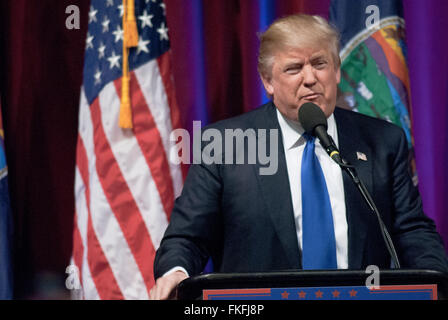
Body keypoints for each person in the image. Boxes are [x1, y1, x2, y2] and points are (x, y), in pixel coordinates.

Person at [149, 14, 448, 300]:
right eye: (294, 68)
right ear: (268, 81)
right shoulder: (226, 146)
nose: (310, 78)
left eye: (320, 64)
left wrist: (438, 280)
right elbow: (187, 237)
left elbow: (412, 230)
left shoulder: (383, 141)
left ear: (337, 71)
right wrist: (177, 272)